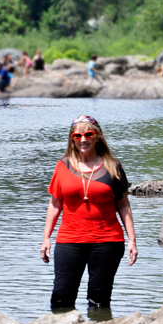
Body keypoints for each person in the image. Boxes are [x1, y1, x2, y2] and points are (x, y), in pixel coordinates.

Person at [40, 115, 137, 309]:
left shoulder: (113, 167)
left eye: (88, 134)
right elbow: (55, 204)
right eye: (77, 135)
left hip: (107, 241)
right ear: (72, 139)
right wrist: (46, 238)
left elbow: (124, 205)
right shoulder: (63, 165)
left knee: (99, 300)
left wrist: (132, 240)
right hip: (69, 240)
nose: (83, 139)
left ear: (97, 136)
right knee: (61, 298)